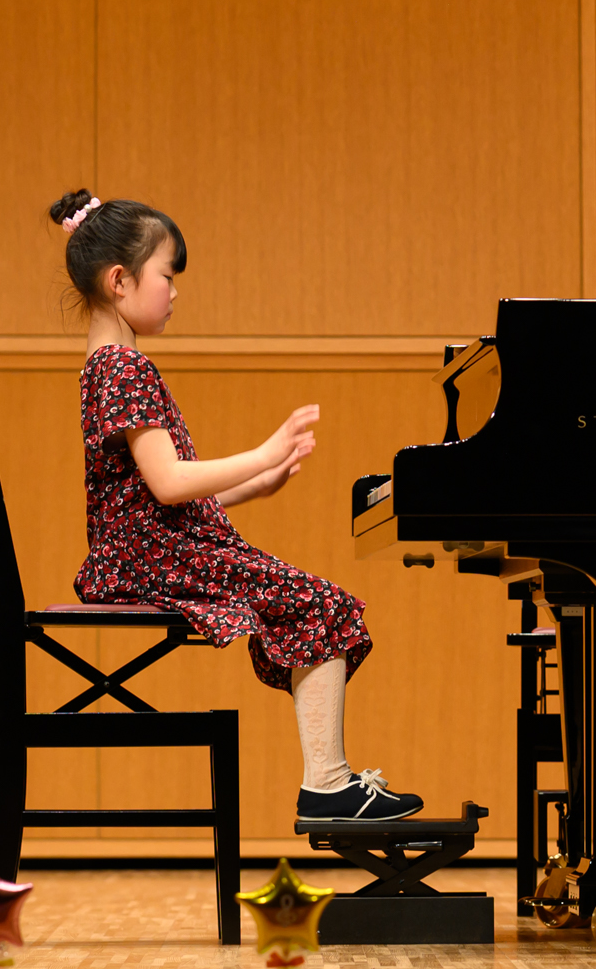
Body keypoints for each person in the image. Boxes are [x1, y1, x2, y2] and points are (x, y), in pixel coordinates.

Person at [51, 189, 422, 822]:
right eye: (167, 275)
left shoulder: (106, 364)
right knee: (321, 603)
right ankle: (327, 784)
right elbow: (168, 485)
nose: (174, 291)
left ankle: (329, 781)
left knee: (315, 604)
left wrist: (253, 484)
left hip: (145, 551)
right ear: (120, 280)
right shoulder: (123, 367)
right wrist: (263, 449)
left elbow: (149, 496)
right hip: (151, 562)